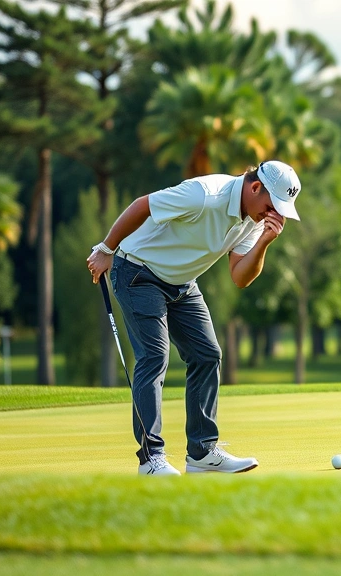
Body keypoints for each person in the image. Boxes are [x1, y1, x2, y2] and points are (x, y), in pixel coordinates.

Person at [86, 160, 301, 476]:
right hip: (137, 272)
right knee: (154, 356)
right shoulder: (204, 194)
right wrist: (107, 248)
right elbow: (143, 205)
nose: (274, 214)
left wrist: (264, 242)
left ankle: (202, 453)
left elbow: (240, 277)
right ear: (255, 187)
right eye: (272, 205)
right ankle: (151, 459)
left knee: (207, 354)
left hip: (181, 282)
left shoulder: (255, 220)